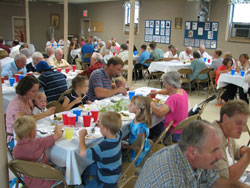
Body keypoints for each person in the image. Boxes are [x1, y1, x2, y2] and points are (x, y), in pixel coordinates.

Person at [135, 120, 249, 188]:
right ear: (192, 152)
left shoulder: (190, 156)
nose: (220, 156)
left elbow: (215, 181)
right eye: (214, 150)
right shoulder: (173, 182)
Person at [13, 116, 63, 188]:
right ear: (31, 133)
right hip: (47, 179)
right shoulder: (38, 143)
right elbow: (58, 135)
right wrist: (58, 128)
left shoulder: (15, 150)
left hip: (29, 180)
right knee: (62, 166)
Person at [5, 76, 56, 144]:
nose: (36, 93)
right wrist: (46, 113)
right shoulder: (17, 105)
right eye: (33, 91)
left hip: (28, 132)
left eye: (37, 90)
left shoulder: (28, 99)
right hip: (16, 138)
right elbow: (24, 122)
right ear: (25, 90)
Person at [79, 111, 122, 188]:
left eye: (101, 125)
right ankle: (86, 181)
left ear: (106, 129)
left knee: (84, 168)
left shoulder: (102, 147)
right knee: (87, 169)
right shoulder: (118, 134)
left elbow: (83, 153)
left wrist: (81, 137)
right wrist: (102, 126)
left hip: (106, 181)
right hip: (115, 170)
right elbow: (112, 129)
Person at [213, 100, 250, 182]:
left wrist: (245, 150)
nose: (242, 128)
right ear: (225, 119)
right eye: (238, 123)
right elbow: (226, 180)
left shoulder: (227, 132)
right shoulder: (213, 139)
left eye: (244, 124)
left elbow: (236, 150)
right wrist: (247, 157)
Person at [148, 71, 188, 142]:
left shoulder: (173, 98)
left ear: (171, 85)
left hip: (171, 133)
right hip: (181, 130)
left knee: (149, 125)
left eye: (165, 83)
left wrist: (150, 101)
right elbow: (167, 92)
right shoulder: (182, 91)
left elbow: (159, 113)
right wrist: (156, 93)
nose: (164, 85)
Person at [124, 96, 152, 166]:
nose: (129, 105)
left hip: (136, 154)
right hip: (133, 145)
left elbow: (139, 145)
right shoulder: (137, 118)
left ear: (138, 110)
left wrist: (126, 147)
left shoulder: (140, 128)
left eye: (132, 104)